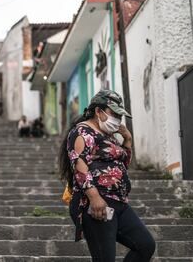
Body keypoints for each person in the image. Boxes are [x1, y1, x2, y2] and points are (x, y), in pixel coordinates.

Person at [59, 90, 156, 261]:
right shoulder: (82, 133)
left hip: (119, 202)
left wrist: (127, 140)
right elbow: (79, 166)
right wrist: (94, 197)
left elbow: (122, 165)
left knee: (145, 245)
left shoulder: (109, 135)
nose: (118, 120)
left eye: (120, 116)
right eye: (114, 114)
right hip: (96, 203)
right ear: (98, 111)